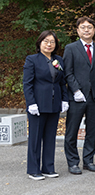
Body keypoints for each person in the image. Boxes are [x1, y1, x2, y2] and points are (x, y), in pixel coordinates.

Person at [23, 31, 69, 180]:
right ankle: (33, 169)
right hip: (37, 105)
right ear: (39, 43)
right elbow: (27, 84)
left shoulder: (59, 60)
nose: (49, 44)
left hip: (54, 104)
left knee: (50, 137)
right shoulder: (32, 60)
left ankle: (48, 168)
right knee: (35, 138)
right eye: (46, 41)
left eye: (52, 42)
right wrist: (31, 103)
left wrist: (64, 99)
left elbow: (62, 82)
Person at [63, 17, 95, 174]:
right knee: (72, 130)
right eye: (83, 27)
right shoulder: (70, 48)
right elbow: (68, 72)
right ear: (78, 30)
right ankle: (73, 162)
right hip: (77, 97)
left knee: (92, 129)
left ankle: (88, 160)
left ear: (94, 30)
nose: (86, 30)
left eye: (90, 27)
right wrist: (75, 90)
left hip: (94, 97)